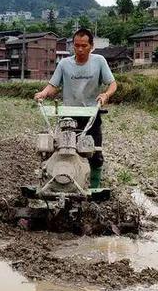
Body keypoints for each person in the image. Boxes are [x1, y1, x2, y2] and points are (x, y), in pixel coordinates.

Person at [34, 28, 117, 188]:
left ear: (91, 46)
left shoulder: (99, 61)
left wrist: (105, 95)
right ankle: (58, 183)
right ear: (73, 46)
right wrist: (43, 93)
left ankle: (94, 188)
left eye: (84, 46)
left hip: (91, 115)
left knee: (95, 154)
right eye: (77, 45)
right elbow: (53, 85)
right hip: (68, 117)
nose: (80, 49)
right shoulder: (65, 64)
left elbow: (112, 84)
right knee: (60, 151)